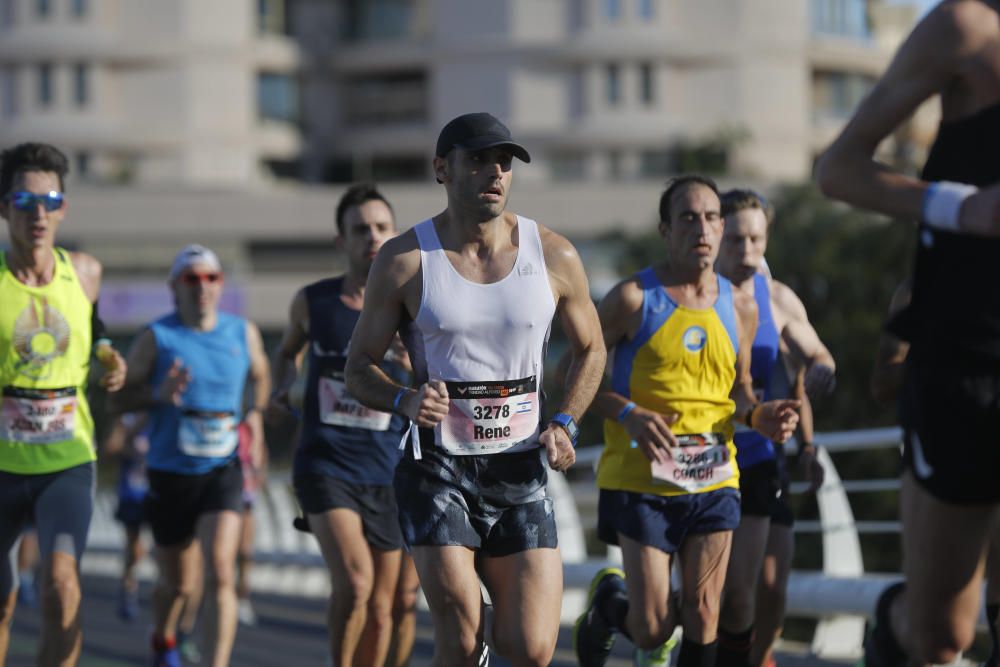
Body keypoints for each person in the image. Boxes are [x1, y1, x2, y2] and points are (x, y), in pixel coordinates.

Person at [344, 112, 606, 666]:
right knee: (461, 638)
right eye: (479, 160)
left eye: (504, 162)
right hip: (438, 469)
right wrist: (403, 398)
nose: (495, 172)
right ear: (442, 168)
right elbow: (358, 367)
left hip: (521, 469)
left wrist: (566, 421)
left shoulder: (553, 254)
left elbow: (593, 349)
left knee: (531, 651)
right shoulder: (404, 260)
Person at [815, 1, 1000, 662]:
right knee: (940, 634)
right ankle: (889, 630)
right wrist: (963, 206)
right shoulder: (967, 29)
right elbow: (837, 169)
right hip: (965, 358)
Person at [573, 175, 800, 667]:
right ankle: (611, 605)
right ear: (665, 229)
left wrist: (762, 415)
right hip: (642, 479)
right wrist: (628, 413)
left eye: (712, 217)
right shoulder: (633, 298)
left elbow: (738, 392)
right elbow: (574, 374)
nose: (703, 228)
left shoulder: (740, 306)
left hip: (716, 475)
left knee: (703, 611)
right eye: (688, 218)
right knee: (653, 628)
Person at [269, 183, 419, 666]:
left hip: (390, 472)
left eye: (381, 228)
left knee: (385, 606)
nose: (372, 237)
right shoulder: (313, 302)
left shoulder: (413, 310)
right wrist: (282, 384)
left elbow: (440, 383)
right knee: (355, 584)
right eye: (360, 230)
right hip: (325, 465)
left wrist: (411, 365)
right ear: (342, 242)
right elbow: (287, 350)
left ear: (395, 236)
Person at [0, 141, 127, 666]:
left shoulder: (86, 271)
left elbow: (93, 326)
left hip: (67, 461)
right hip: (2, 465)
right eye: (25, 203)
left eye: (49, 201)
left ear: (63, 208)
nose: (39, 214)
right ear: (5, 208)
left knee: (62, 586)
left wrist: (106, 354)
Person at [113, 244, 270, 667]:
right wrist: (156, 395)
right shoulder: (157, 337)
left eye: (211, 278)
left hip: (223, 469)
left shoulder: (243, 332)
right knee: (177, 584)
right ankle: (162, 637)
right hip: (169, 473)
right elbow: (119, 400)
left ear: (220, 286)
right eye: (191, 279)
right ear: (174, 288)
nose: (202, 287)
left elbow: (260, 374)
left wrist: (254, 413)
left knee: (220, 569)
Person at [714, 189, 831, 667]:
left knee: (771, 586)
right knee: (723, 596)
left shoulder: (776, 296)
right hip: (705, 455)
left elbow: (806, 363)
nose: (747, 252)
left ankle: (758, 660)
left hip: (762, 456)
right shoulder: (691, 295)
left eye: (756, 240)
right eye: (737, 239)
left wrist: (808, 444)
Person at [103, 411, 151, 622]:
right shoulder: (126, 418)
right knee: (133, 546)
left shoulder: (162, 413)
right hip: (132, 492)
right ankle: (128, 587)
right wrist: (130, 447)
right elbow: (110, 447)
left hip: (158, 491)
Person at [235, 419, 266, 627]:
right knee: (221, 554)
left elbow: (262, 449)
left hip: (245, 495)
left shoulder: (251, 419)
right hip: (220, 491)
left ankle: (242, 597)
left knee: (246, 551)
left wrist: (259, 473)